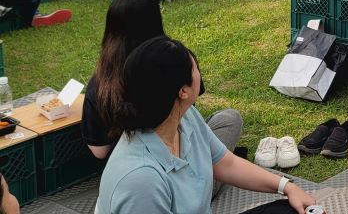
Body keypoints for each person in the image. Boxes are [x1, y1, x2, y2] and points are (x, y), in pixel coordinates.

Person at [95, 36, 317, 214]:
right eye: (194, 68)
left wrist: (287, 186)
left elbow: (225, 163)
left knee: (293, 209)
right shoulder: (141, 179)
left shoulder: (185, 116)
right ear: (183, 91)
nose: (199, 72)